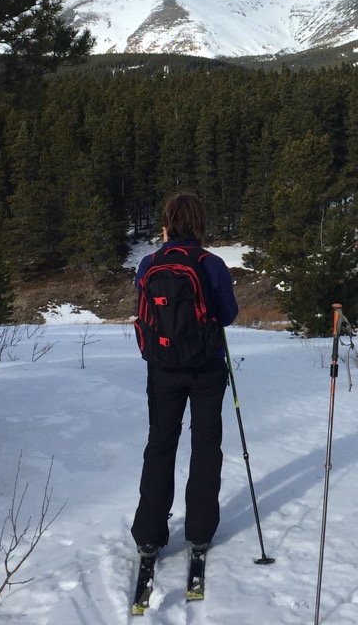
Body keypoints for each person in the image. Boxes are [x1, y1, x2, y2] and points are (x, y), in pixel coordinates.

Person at [131, 190, 239, 560]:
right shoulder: (211, 264)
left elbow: (144, 301)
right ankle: (199, 531)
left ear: (168, 223)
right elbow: (227, 314)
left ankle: (148, 532)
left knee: (160, 444)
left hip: (162, 367)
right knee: (206, 446)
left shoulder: (149, 264)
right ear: (200, 223)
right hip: (206, 367)